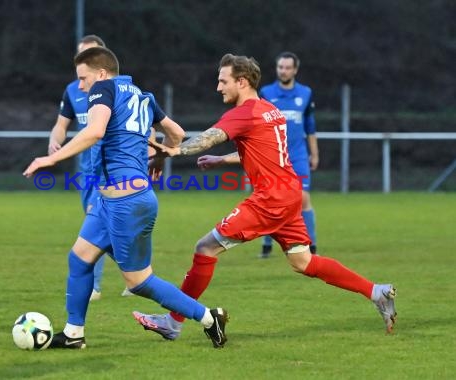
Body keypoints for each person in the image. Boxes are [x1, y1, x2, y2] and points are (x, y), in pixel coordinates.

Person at [133, 53, 397, 341]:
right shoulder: (270, 109)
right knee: (304, 262)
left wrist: (175, 151)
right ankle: (376, 291)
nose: (218, 87)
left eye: (223, 81)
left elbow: (209, 136)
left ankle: (173, 322)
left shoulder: (242, 113)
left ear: (241, 81)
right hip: (289, 194)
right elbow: (262, 150)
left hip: (270, 199)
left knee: (205, 248)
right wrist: (222, 161)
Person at [23, 46, 229, 349]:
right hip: (112, 202)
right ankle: (73, 334)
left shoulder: (103, 88)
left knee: (139, 282)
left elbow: (95, 132)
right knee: (79, 258)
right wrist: (159, 158)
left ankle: (210, 318)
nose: (80, 86)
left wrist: (52, 160)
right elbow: (177, 133)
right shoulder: (142, 96)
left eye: (83, 78)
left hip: (127, 204)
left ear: (102, 73)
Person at [48, 34, 107, 301]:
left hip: (110, 168)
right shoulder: (74, 90)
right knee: (101, 223)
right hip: (86, 169)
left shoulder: (113, 90)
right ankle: (138, 273)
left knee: (94, 221)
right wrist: (54, 142)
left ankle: (93, 284)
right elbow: (62, 125)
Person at [258, 51, 319, 258]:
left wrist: (314, 154)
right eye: (280, 67)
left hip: (299, 155)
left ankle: (312, 246)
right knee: (271, 199)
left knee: (302, 197)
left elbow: (310, 126)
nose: (283, 71)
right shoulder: (266, 93)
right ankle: (267, 246)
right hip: (273, 157)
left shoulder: (305, 93)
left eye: (287, 67)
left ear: (295, 70)